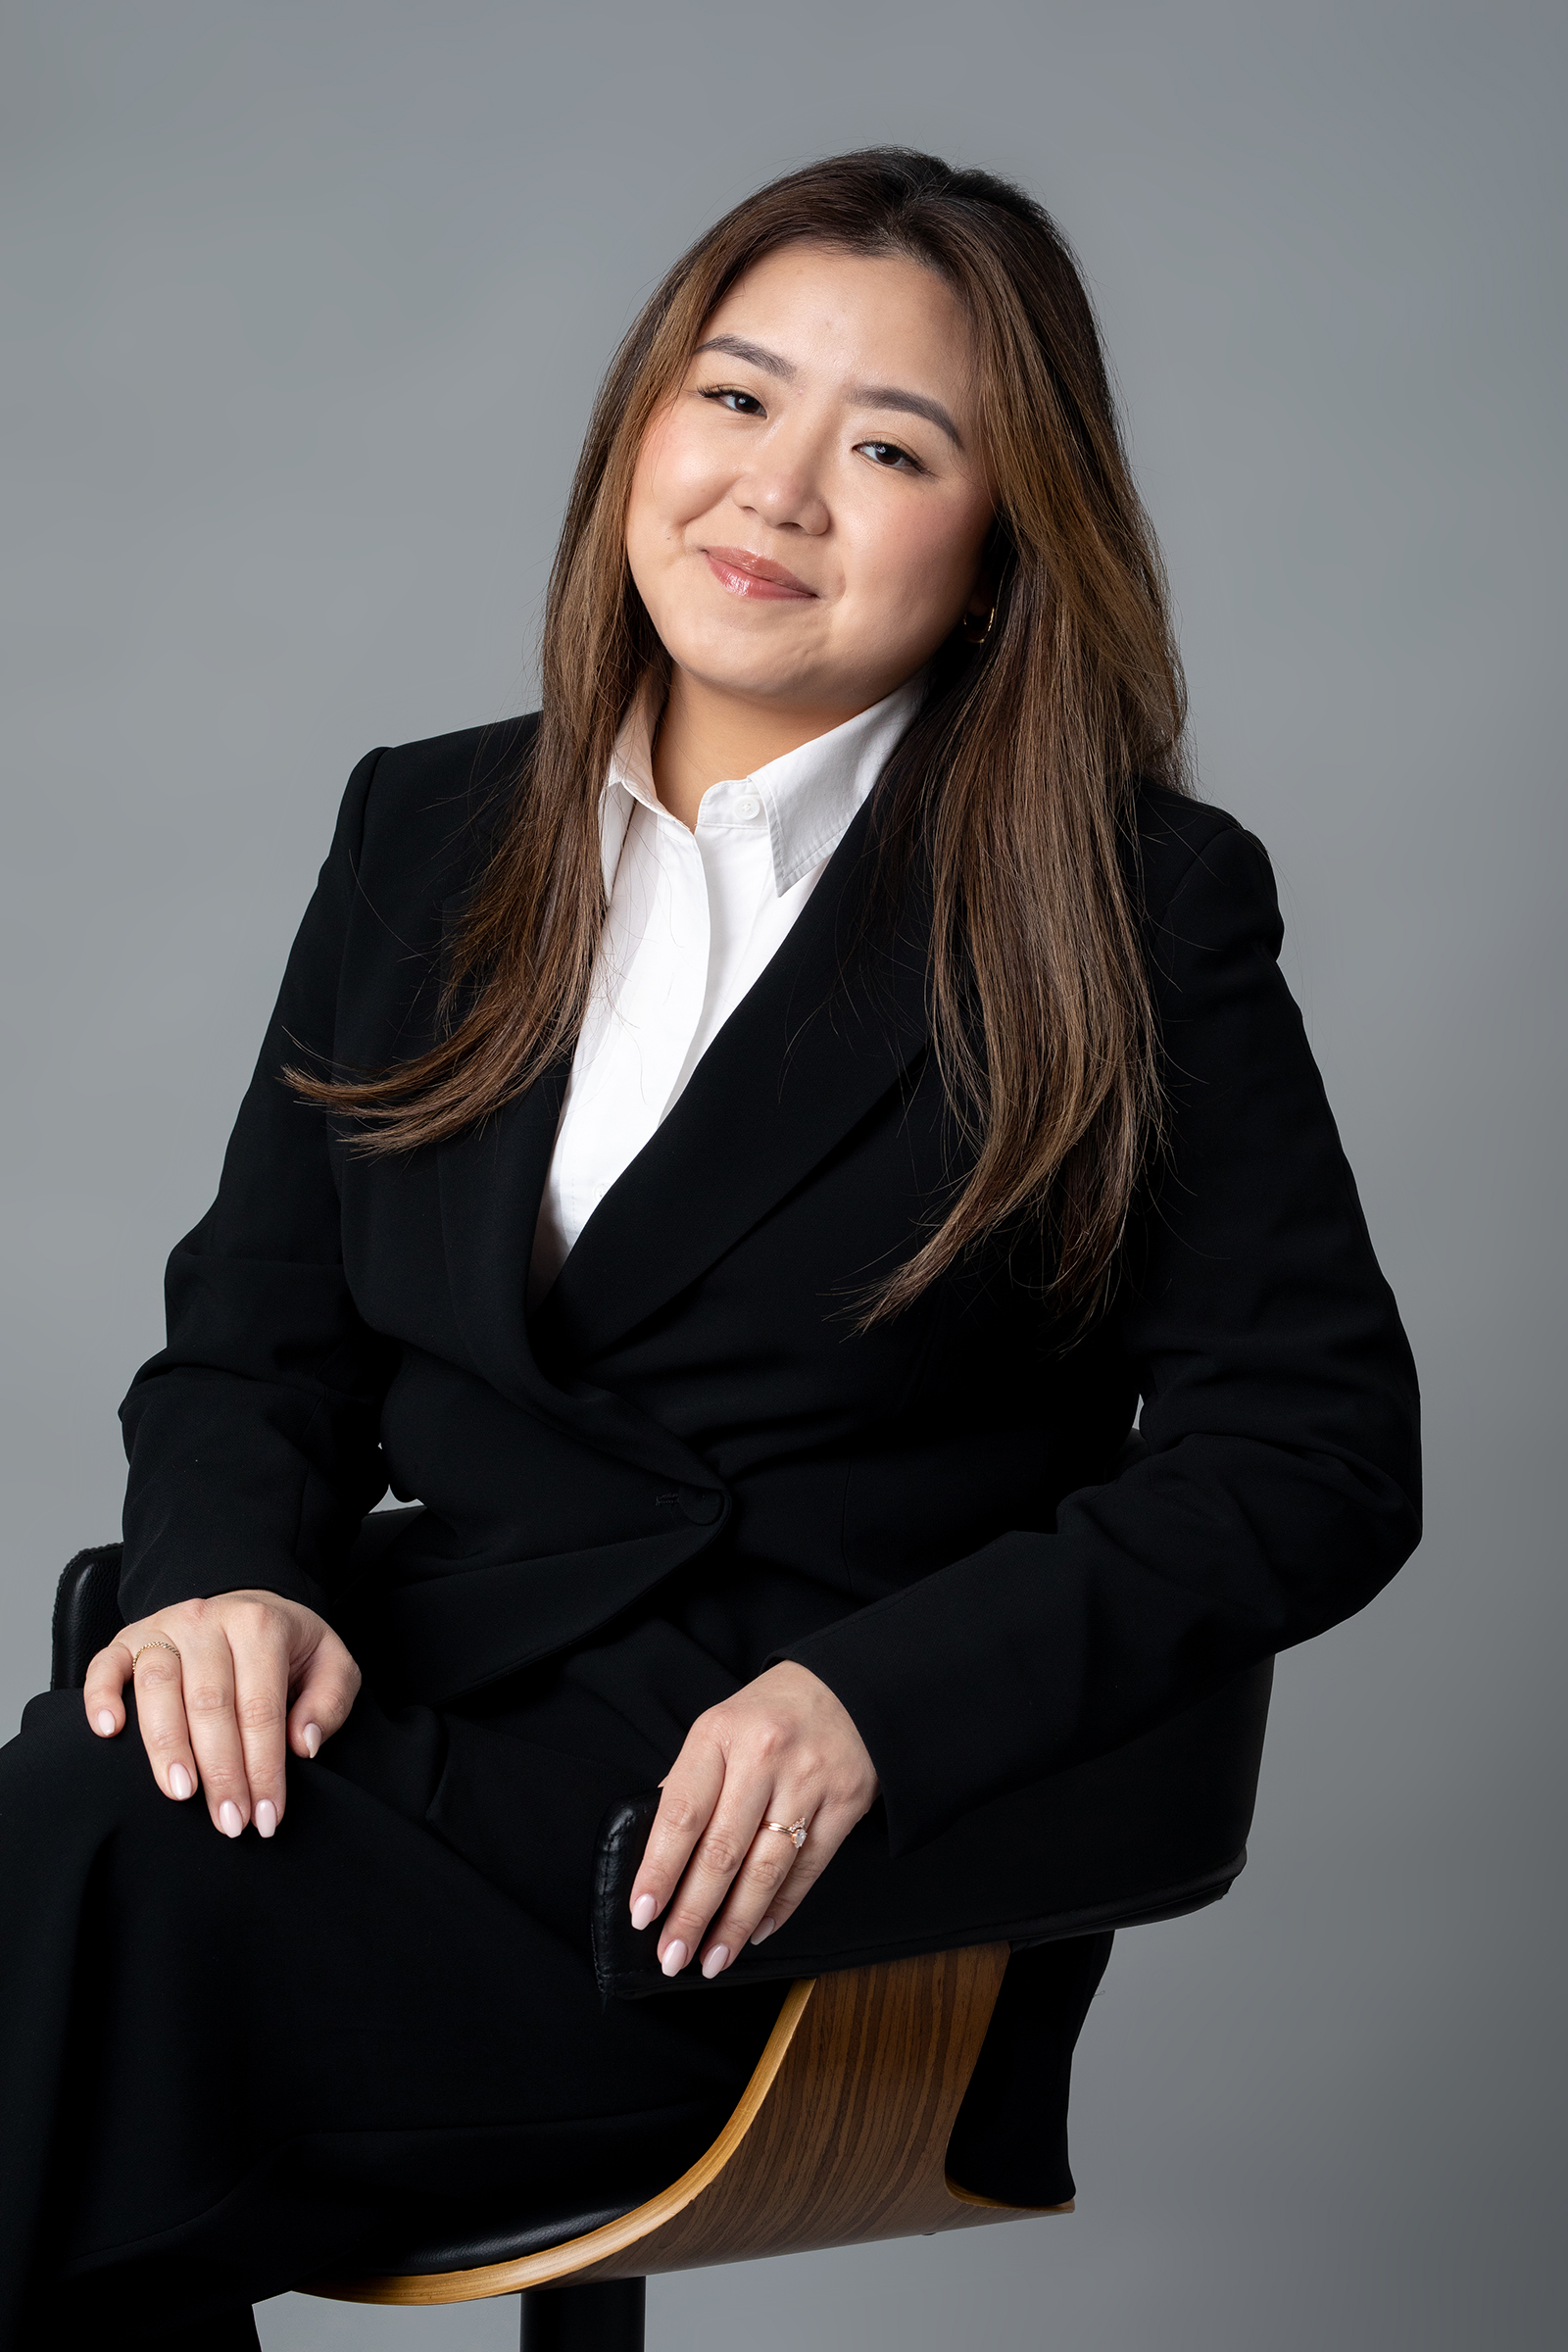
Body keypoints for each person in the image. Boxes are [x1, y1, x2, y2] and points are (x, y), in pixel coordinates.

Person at [0, 149, 1421, 2349]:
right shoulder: (427, 824)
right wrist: (220, 1578)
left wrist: (878, 1709)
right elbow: (256, 1338)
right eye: (736, 397)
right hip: (390, 1729)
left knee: (70, 1935)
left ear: (1004, 534)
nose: (778, 488)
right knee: (92, 1880)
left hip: (757, 1877)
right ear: (640, 424)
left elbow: (1312, 1452)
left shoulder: (1127, 902)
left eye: (892, 447)